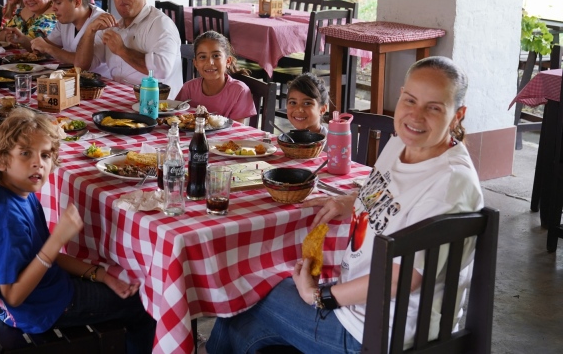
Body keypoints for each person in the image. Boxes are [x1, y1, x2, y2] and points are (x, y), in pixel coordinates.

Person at [206, 56, 484, 354]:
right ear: (401, 94)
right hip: (358, 309)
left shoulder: (451, 183)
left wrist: (321, 296)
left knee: (246, 288)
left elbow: (403, 278)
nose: (415, 116)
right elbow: (394, 197)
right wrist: (354, 200)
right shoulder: (402, 144)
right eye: (410, 100)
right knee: (241, 324)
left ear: (458, 115)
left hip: (378, 335)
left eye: (434, 107)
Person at [0, 108, 156, 354]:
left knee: (124, 282)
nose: (38, 163)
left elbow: (46, 254)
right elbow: (13, 295)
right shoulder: (7, 216)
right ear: (1, 160)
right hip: (39, 309)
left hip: (44, 293)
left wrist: (102, 275)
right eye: (25, 153)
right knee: (144, 304)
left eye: (45, 155)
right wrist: (57, 240)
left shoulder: (19, 194)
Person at [74, 0, 183, 97]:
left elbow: (161, 69)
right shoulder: (113, 26)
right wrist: (89, 31)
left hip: (160, 108)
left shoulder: (160, 24)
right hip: (122, 100)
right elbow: (81, 66)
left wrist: (122, 50)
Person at [28, 0, 107, 70]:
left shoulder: (100, 22)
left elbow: (82, 65)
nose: (53, 8)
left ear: (77, 2)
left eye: (58, 3)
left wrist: (48, 48)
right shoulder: (65, 19)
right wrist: (23, 39)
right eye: (52, 3)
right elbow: (45, 45)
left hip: (100, 82)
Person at [175, 31, 256, 121]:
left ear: (228, 61)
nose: (210, 62)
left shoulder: (239, 91)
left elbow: (237, 129)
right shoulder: (189, 88)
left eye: (216, 56)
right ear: (196, 63)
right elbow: (177, 118)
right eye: (202, 57)